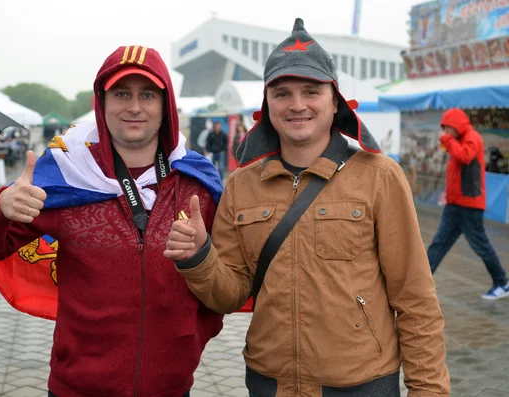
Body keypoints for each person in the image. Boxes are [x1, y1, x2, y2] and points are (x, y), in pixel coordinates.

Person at [164, 18, 450, 396]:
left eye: (311, 91)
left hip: (361, 384)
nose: (297, 105)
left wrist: (428, 390)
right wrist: (199, 257)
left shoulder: (380, 177)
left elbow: (416, 301)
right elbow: (230, 294)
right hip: (269, 383)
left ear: (335, 101)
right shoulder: (241, 185)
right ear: (266, 104)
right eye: (282, 93)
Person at [0, 45, 224, 397]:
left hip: (172, 388)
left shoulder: (198, 182)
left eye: (147, 95)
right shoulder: (66, 174)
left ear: (165, 105)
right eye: (121, 94)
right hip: (77, 388)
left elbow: (227, 275)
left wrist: (191, 337)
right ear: (102, 102)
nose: (134, 107)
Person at [428, 108, 509, 300]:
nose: (446, 133)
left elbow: (465, 156)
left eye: (447, 128)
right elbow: (456, 171)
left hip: (469, 206)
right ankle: (420, 282)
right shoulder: (457, 140)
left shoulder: (473, 138)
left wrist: (447, 141)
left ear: (455, 125)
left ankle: (502, 282)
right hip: (455, 205)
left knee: (480, 245)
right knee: (439, 244)